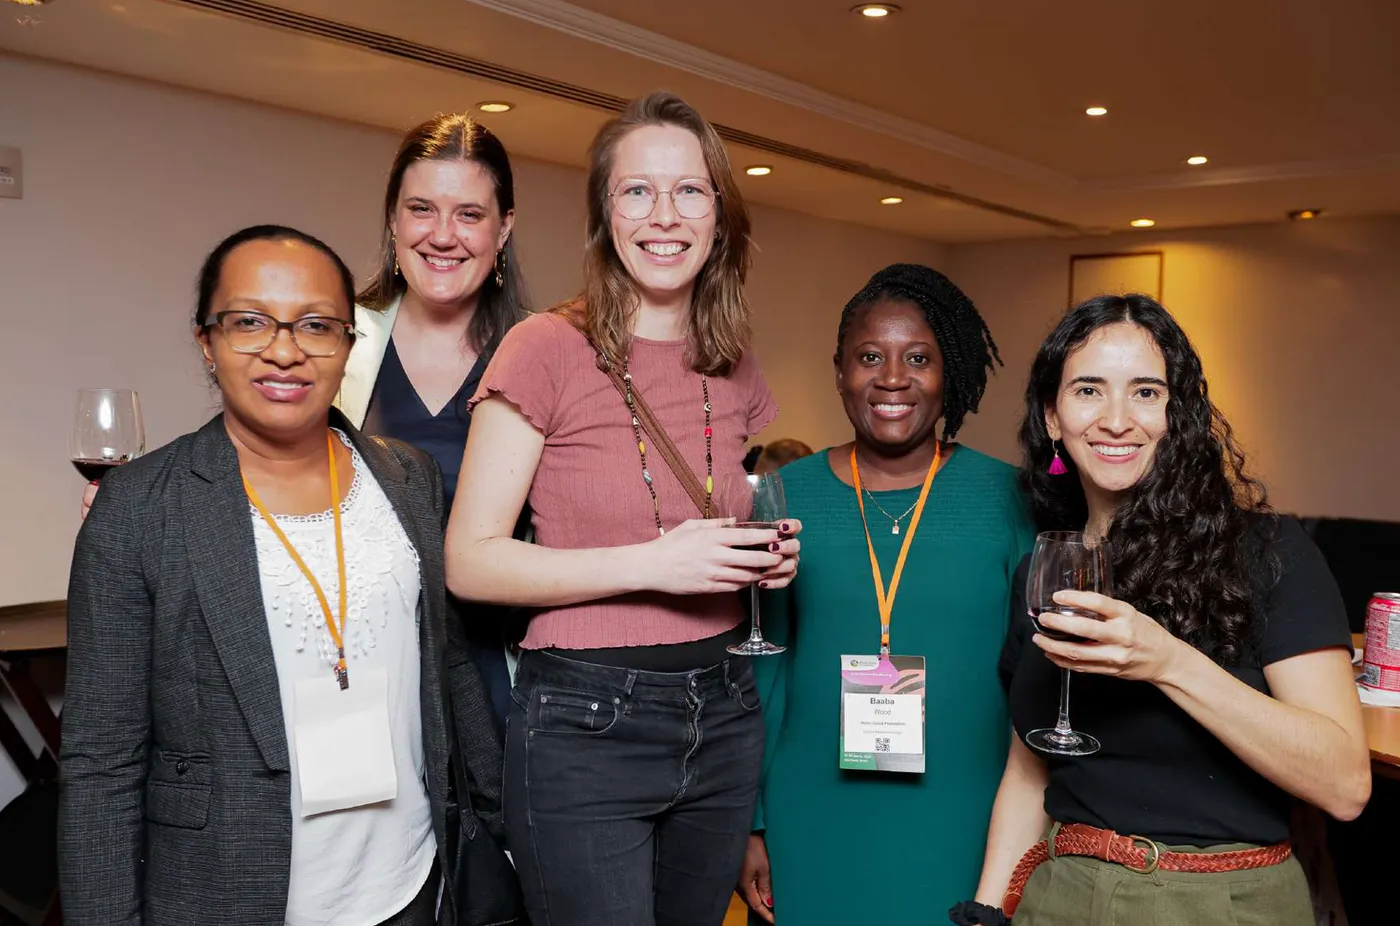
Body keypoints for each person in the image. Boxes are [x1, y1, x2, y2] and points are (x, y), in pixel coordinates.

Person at [59, 226, 521, 926]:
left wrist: (498, 826)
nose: (285, 349)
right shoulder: (140, 506)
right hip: (228, 894)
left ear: (347, 344)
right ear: (205, 342)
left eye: (315, 325)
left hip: (411, 887)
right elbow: (101, 764)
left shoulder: (405, 478)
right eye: (250, 322)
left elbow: (450, 666)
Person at [444, 91, 801, 926]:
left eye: (690, 190)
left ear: (720, 212)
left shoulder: (731, 358)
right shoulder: (544, 346)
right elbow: (470, 559)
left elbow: (721, 511)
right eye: (637, 191)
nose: (664, 215)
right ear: (605, 215)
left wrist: (764, 559)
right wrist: (654, 564)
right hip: (585, 724)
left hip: (724, 709)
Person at [80, 113, 527, 729]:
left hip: (505, 671)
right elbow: (249, 456)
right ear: (393, 222)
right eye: (421, 208)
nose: (442, 235)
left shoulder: (543, 353)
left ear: (504, 228)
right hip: (349, 660)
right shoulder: (331, 337)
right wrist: (145, 509)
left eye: (470, 214)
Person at [958, 294, 1369, 926]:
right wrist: (986, 914)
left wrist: (1166, 662)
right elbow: (1028, 773)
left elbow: (1344, 785)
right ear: (1051, 417)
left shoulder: (1268, 552)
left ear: (1177, 414)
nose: (1117, 419)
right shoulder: (1044, 574)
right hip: (1061, 895)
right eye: (1089, 390)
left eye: (1146, 393)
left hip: (1228, 902)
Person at [738, 264, 1035, 924]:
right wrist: (749, 820)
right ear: (839, 369)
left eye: (919, 358)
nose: (893, 378)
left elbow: (1039, 677)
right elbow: (762, 672)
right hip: (811, 811)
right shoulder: (789, 495)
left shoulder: (1010, 500)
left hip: (968, 812)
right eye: (869, 356)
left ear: (949, 371)